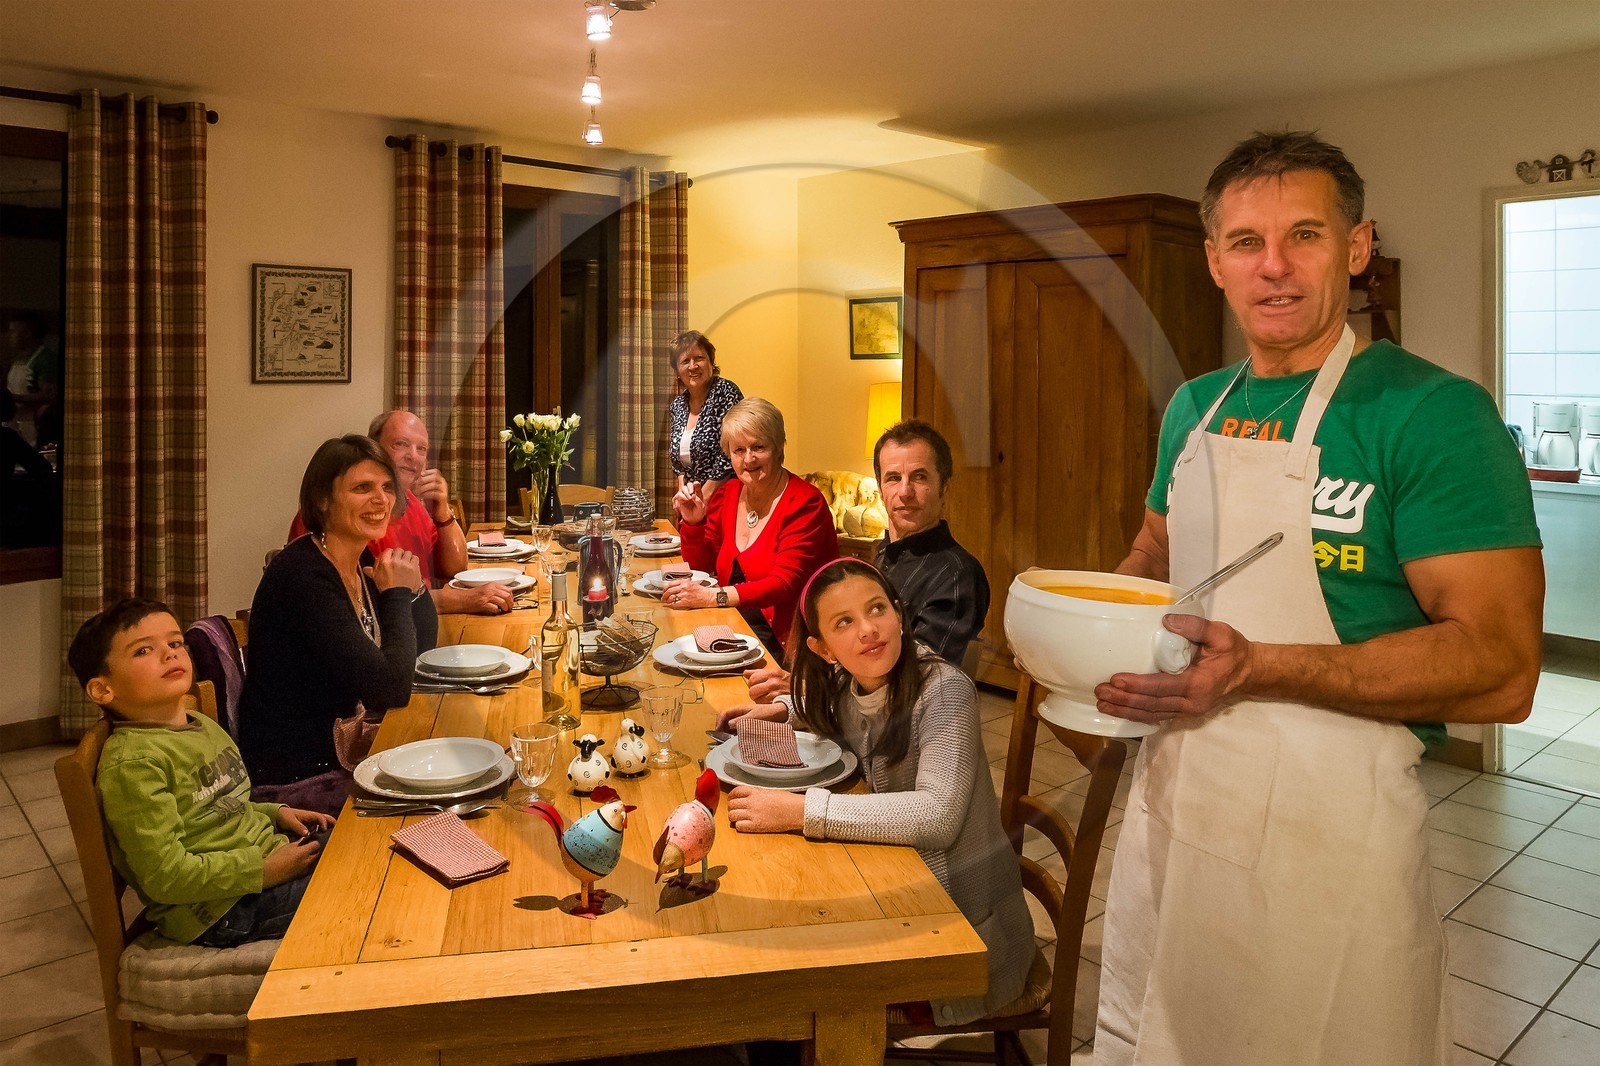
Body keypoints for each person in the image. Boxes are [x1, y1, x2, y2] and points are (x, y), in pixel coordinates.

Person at [1092, 132, 1543, 1065]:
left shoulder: (1431, 415)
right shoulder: (1195, 408)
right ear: (1214, 260)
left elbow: (1503, 669)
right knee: (1169, 1034)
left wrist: (1257, 669)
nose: (1275, 268)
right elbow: (1154, 550)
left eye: (1304, 234)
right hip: (1179, 804)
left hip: (1333, 833)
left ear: (1357, 245)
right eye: (1247, 243)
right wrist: (1086, 624)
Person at [717, 558, 1037, 1026]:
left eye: (877, 609)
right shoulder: (856, 679)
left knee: (791, 990)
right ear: (823, 649)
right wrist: (783, 712)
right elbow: (835, 709)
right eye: (844, 622)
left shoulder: (944, 691)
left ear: (899, 614)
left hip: (965, 938)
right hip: (904, 894)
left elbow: (936, 816)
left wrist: (801, 810)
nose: (868, 629)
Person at [68, 598, 334, 946]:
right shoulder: (134, 764)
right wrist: (263, 871)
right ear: (103, 689)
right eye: (143, 650)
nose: (170, 654)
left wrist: (275, 813)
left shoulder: (202, 725)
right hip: (218, 911)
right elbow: (165, 876)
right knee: (354, 887)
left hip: (259, 868)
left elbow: (219, 807)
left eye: (175, 642)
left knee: (367, 843)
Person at [240, 435, 437, 814]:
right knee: (444, 803)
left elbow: (418, 655)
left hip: (341, 754)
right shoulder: (304, 576)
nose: (380, 500)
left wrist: (411, 589)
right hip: (297, 780)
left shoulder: (354, 567)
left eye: (385, 487)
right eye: (362, 488)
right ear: (322, 500)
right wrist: (396, 594)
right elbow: (390, 690)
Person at [744, 418, 990, 702]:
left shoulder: (957, 575)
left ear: (944, 488)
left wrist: (811, 689)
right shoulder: (883, 553)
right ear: (881, 488)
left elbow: (915, 681)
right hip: (845, 707)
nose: (905, 492)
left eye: (920, 477)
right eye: (893, 478)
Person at [289, 411, 516, 616]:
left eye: (422, 449)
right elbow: (367, 604)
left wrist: (442, 510)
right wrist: (457, 600)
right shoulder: (335, 521)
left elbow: (454, 568)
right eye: (401, 444)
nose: (413, 456)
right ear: (373, 448)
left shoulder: (411, 503)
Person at [670, 398, 838, 653]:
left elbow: (783, 584)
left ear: (778, 448)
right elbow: (702, 568)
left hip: (795, 647)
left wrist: (715, 597)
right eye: (738, 450)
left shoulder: (805, 503)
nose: (748, 459)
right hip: (734, 628)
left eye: (758, 447)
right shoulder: (728, 495)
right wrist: (694, 523)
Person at [665, 330, 744, 500]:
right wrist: (682, 495)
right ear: (678, 370)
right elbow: (679, 464)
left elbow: (731, 452)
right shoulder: (678, 405)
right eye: (685, 361)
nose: (692, 366)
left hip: (726, 496)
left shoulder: (726, 392)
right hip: (693, 499)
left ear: (711, 361)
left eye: (699, 358)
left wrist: (705, 497)